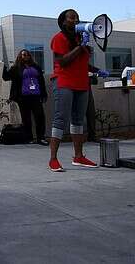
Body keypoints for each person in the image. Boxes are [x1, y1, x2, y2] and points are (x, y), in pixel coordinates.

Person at [48, 9, 98, 172]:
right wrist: (80, 46)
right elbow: (62, 61)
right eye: (72, 17)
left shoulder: (79, 39)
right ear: (63, 21)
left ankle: (78, 156)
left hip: (81, 83)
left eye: (77, 17)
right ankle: (53, 159)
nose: (76, 20)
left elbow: (81, 63)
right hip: (63, 81)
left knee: (78, 120)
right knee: (60, 118)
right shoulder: (59, 38)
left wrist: (97, 70)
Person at [2, 49, 49, 146]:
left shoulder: (36, 67)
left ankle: (41, 138)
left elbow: (41, 81)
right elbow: (6, 77)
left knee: (39, 116)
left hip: (35, 96)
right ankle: (29, 138)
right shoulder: (15, 68)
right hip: (22, 97)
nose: (25, 56)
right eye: (23, 55)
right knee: (26, 118)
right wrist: (3, 66)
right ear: (20, 56)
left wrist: (44, 94)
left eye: (27, 54)